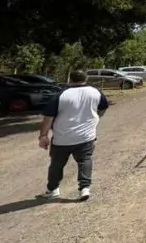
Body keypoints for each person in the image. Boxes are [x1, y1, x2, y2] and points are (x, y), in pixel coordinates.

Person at [36, 70, 109, 201]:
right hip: (86, 137)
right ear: (86, 78)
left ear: (70, 79)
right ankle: (84, 188)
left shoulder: (61, 95)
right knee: (85, 160)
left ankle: (53, 189)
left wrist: (43, 135)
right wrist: (95, 118)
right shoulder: (95, 92)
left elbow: (48, 117)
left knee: (56, 164)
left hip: (62, 138)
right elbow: (103, 106)